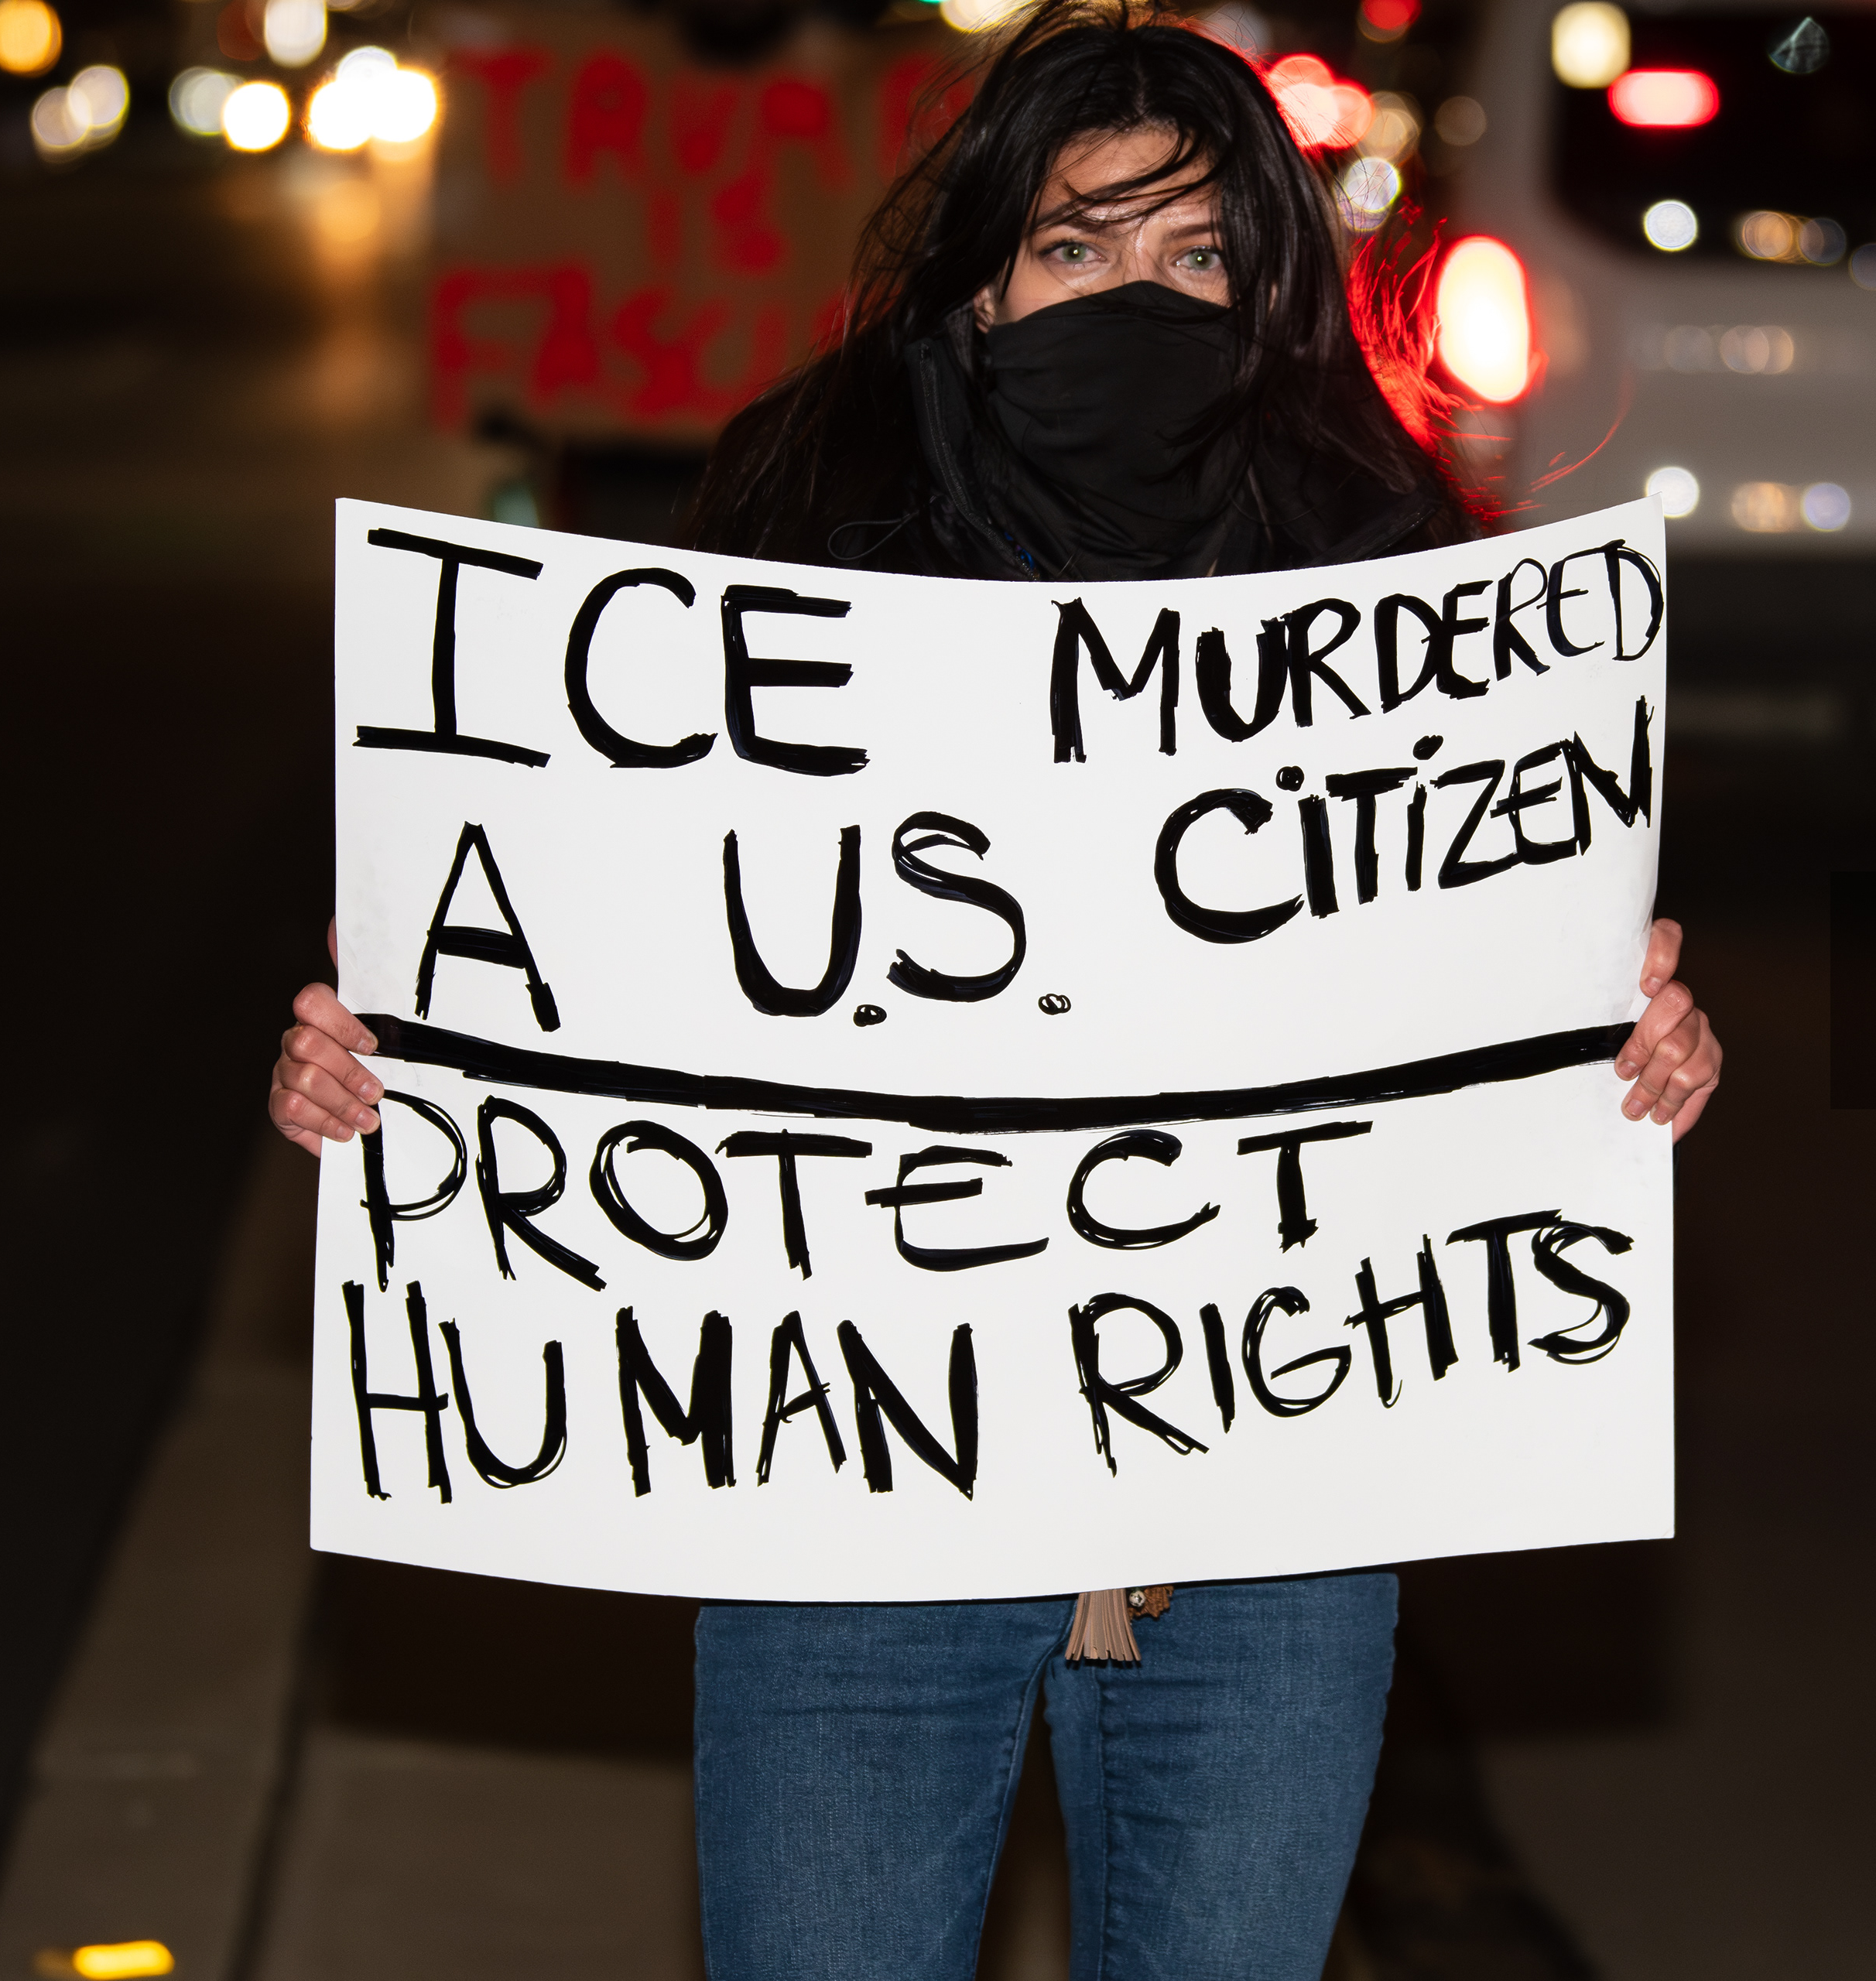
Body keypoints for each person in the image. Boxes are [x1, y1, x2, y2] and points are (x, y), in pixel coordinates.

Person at [268, 7, 1722, 1977]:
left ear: (1271, 296)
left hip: (1271, 1505)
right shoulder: (795, 554)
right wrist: (409, 1064)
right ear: (971, 289)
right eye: (1075, 248)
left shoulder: (1396, 590)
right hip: (857, 1501)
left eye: (1197, 257)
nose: (1141, 298)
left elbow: (1496, 1004)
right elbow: (613, 954)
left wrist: (1614, 1045)